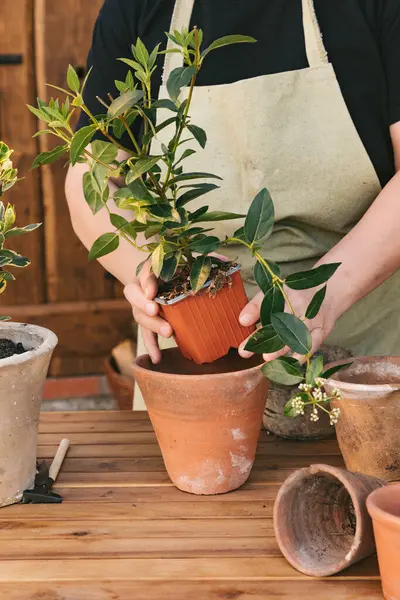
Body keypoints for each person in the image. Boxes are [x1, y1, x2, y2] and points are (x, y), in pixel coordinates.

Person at [66, 0, 400, 371]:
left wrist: (324, 292)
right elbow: (90, 176)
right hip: (193, 346)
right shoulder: (138, 8)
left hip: (366, 348)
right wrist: (147, 268)